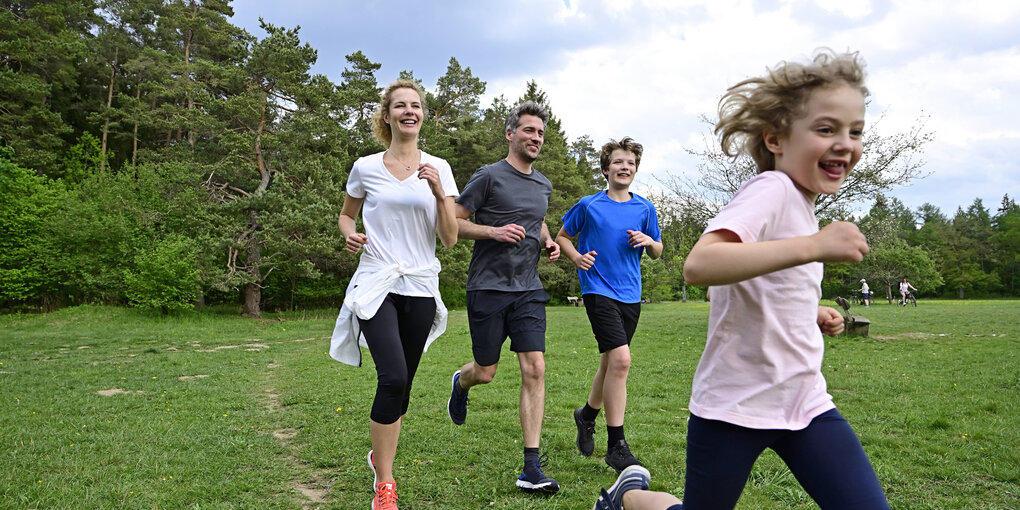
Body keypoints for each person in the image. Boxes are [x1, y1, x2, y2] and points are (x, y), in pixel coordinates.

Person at [593, 50, 891, 510]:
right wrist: (816, 246)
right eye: (826, 129)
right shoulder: (772, 190)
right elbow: (702, 267)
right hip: (733, 408)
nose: (845, 143)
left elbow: (739, 285)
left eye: (855, 131)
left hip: (803, 401)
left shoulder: (802, 205)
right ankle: (628, 499)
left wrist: (806, 312)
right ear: (775, 138)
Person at [328, 79, 459, 510]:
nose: (408, 111)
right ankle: (385, 482)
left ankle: (377, 456)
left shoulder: (438, 166)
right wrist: (351, 235)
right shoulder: (365, 166)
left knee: (402, 388)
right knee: (394, 377)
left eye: (415, 105)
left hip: (420, 284)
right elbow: (346, 216)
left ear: (424, 115)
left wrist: (440, 194)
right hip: (377, 280)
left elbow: (451, 238)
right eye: (399, 106)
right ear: (386, 116)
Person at [446, 100, 563, 494]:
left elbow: (538, 219)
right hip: (488, 287)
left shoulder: (543, 184)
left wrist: (547, 241)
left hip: (527, 288)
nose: (535, 138)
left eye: (541, 133)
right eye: (529, 130)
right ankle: (461, 384)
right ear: (511, 134)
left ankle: (531, 466)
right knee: (487, 370)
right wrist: (494, 232)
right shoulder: (488, 176)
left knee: (535, 368)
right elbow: (453, 224)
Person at [554, 137, 662, 473]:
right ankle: (617, 445)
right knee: (621, 360)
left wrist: (648, 241)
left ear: (635, 170)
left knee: (610, 362)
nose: (624, 167)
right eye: (618, 162)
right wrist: (576, 257)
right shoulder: (589, 205)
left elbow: (658, 250)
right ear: (606, 168)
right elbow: (562, 237)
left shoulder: (644, 208)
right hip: (597, 289)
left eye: (630, 163)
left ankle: (586, 416)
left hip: (631, 294)